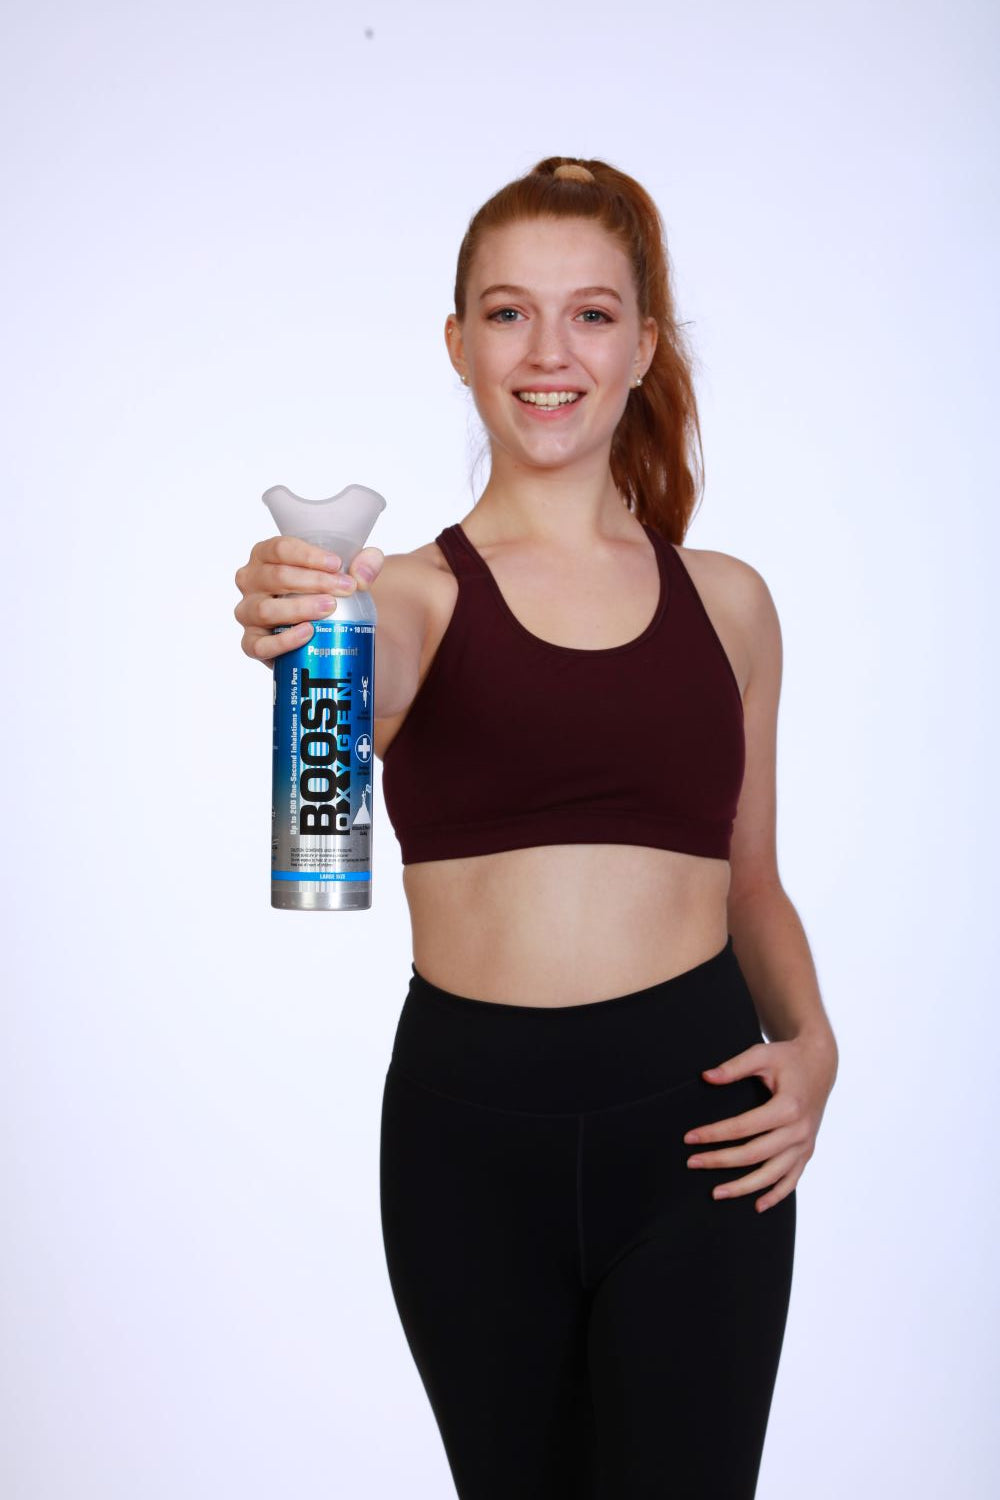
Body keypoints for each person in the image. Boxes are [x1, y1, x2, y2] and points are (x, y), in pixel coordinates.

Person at [234, 155, 839, 1500]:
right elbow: (350, 684)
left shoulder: (731, 605)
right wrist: (296, 611)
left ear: (644, 346)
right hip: (468, 1141)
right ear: (459, 345)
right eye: (508, 313)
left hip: (699, 1129)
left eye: (591, 314)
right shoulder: (399, 599)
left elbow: (751, 885)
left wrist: (814, 1046)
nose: (548, 352)